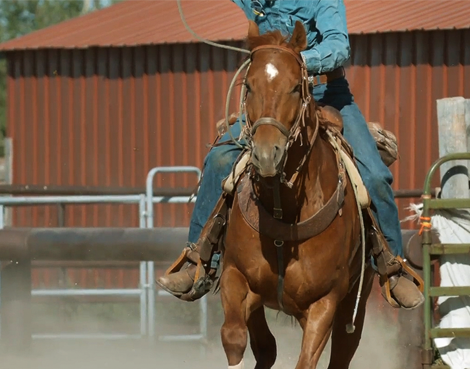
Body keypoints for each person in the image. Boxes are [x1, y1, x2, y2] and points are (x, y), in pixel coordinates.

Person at [157, 0, 424, 309]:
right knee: (220, 159)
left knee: (374, 175)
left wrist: (296, 62)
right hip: (273, 100)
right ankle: (199, 260)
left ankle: (392, 266)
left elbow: (338, 46)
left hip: (327, 93)